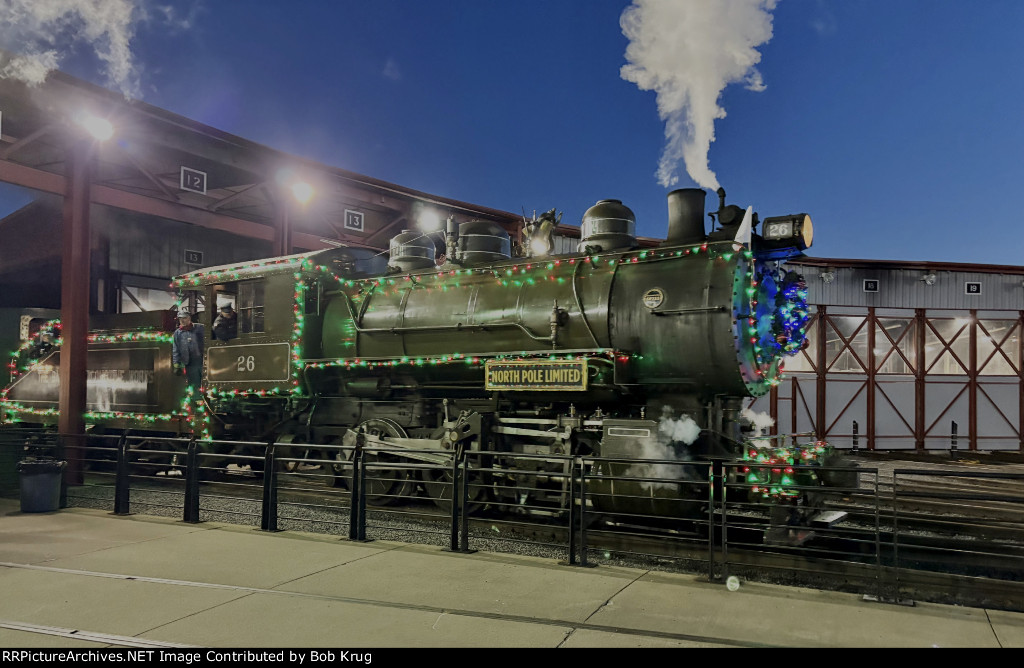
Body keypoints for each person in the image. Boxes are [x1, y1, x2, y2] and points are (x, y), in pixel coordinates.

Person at [171, 309, 205, 389]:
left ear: (189, 318)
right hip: (189, 363)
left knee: (205, 382)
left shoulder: (200, 328)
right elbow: (176, 349)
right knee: (194, 383)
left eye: (184, 318)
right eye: (180, 319)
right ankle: (197, 400)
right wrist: (176, 364)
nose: (182, 320)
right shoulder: (178, 333)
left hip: (202, 361)